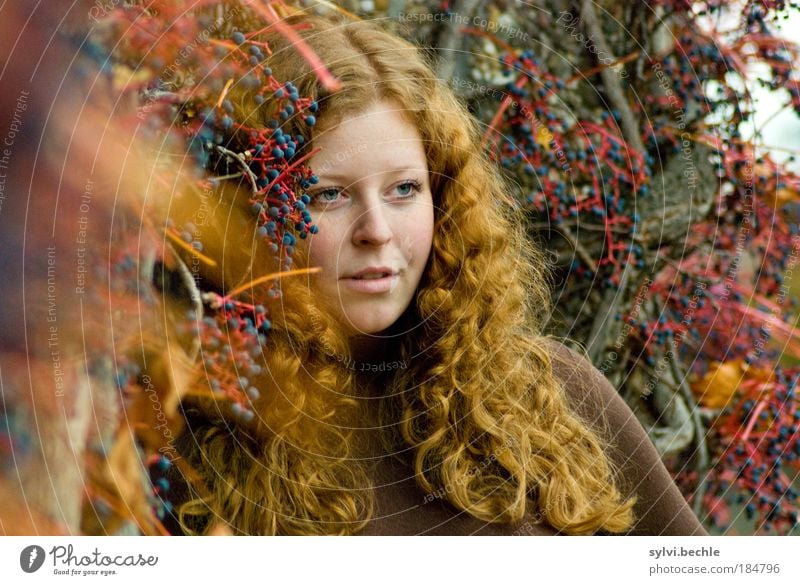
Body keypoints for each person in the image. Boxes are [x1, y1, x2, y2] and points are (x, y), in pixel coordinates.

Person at [160, 9, 707, 536]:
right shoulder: (185, 437)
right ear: (247, 216)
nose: (377, 230)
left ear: (442, 195)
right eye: (327, 195)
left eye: (404, 189)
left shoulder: (556, 394)